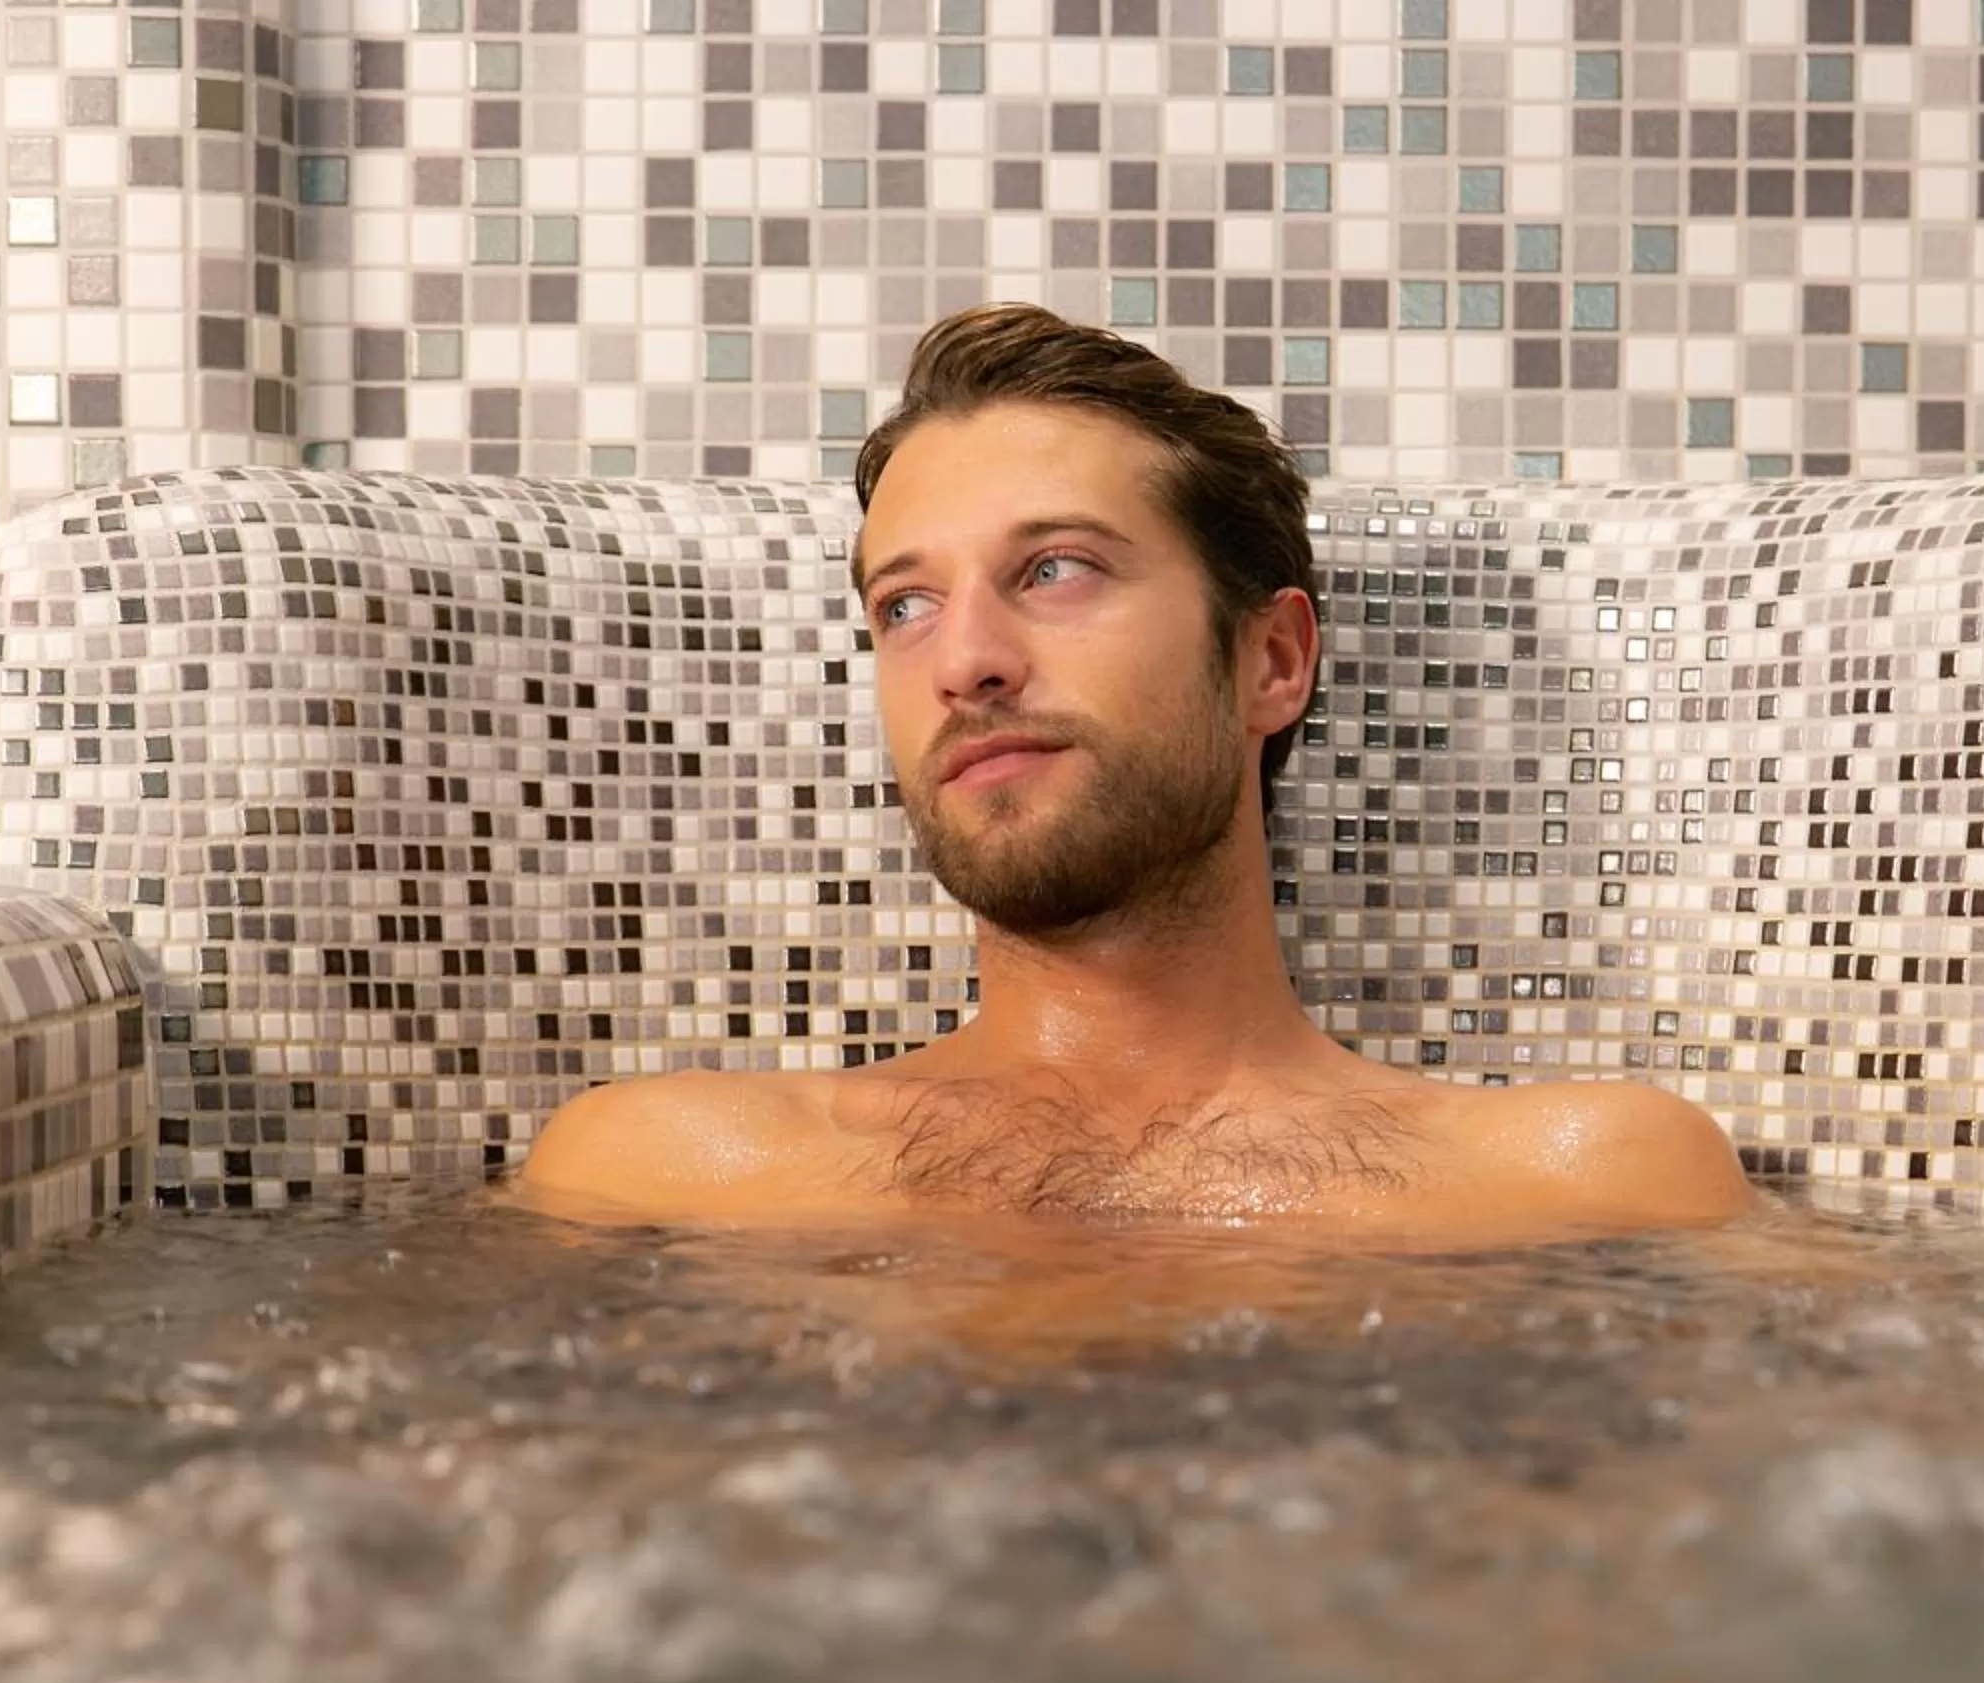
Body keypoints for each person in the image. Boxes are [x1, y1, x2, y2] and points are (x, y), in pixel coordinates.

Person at [521, 304, 1755, 1241]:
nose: (965, 662)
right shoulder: (655, 1175)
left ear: (1272, 657)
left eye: (1055, 569)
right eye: (905, 603)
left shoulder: (1590, 1184)